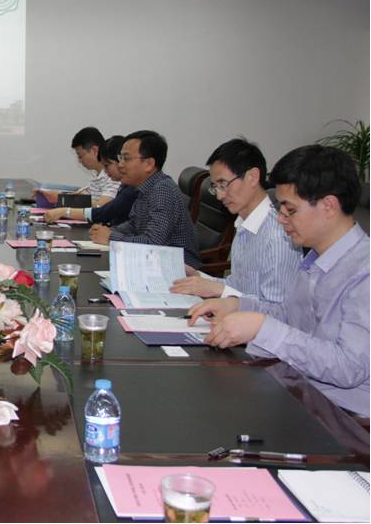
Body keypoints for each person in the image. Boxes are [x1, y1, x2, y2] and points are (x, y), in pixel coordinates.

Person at [189, 145, 368, 416]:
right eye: (280, 207)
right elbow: (289, 316)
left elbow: (349, 368)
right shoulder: (315, 257)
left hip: (342, 415)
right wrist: (237, 305)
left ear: (329, 206)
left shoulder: (364, 272)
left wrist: (262, 327)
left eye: (290, 210)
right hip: (297, 386)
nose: (281, 219)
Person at [170, 138, 301, 302]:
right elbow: (237, 286)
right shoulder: (244, 224)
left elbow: (276, 309)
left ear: (252, 177)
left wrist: (220, 290)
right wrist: (198, 277)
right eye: (215, 187)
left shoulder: (278, 236)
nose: (219, 195)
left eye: (223, 184)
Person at [89, 130, 202, 268]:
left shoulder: (162, 190)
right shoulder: (145, 187)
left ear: (149, 164)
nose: (120, 164)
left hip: (179, 268)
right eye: (120, 158)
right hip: (155, 263)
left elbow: (153, 243)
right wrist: (109, 231)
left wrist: (111, 237)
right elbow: (134, 224)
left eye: (126, 158)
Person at [45, 135, 137, 225]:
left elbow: (102, 210)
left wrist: (65, 208)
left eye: (107, 165)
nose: (121, 165)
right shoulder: (101, 176)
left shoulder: (126, 187)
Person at [37, 126, 119, 207]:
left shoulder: (113, 176)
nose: (79, 161)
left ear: (94, 150)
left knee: (47, 187)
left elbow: (101, 206)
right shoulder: (96, 173)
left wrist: (62, 199)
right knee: (45, 187)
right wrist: (52, 195)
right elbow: (83, 195)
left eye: (80, 156)